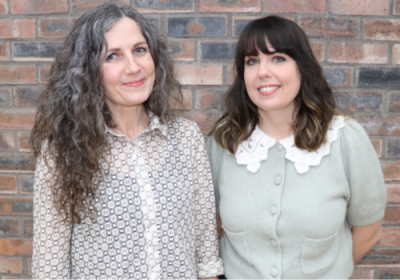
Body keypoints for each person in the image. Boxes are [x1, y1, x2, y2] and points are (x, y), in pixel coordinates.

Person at [31, 3, 223, 279]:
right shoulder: (62, 151)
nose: (133, 67)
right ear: (88, 71)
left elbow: (206, 252)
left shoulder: (186, 138)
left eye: (139, 50)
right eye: (112, 56)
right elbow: (50, 267)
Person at [207, 16, 386, 279]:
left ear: (302, 67)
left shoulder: (344, 139)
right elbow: (207, 226)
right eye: (251, 61)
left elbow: (368, 232)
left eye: (278, 58)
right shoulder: (224, 141)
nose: (262, 71)